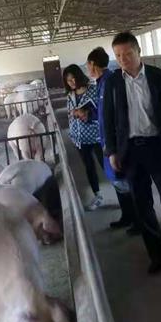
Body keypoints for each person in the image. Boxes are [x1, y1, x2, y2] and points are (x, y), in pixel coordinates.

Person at [103, 31, 161, 276]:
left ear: (138, 51)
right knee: (143, 206)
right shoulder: (113, 82)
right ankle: (157, 255)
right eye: (118, 55)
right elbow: (108, 119)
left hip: (157, 147)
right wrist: (112, 151)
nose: (123, 59)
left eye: (127, 53)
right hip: (130, 152)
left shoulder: (156, 76)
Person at [86, 47, 139, 234]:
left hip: (116, 143)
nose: (87, 68)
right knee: (118, 182)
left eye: (88, 65)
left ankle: (139, 220)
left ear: (93, 64)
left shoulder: (111, 81)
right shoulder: (101, 82)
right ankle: (127, 216)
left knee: (127, 182)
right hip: (107, 142)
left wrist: (114, 146)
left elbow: (117, 115)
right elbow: (103, 113)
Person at [63, 64, 104, 211]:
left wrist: (88, 114)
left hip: (96, 136)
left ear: (79, 76)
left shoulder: (93, 90)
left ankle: (123, 193)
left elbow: (102, 111)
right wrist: (73, 113)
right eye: (69, 80)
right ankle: (97, 195)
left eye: (74, 78)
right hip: (80, 139)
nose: (72, 82)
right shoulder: (70, 95)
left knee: (106, 165)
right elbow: (70, 113)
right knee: (89, 167)